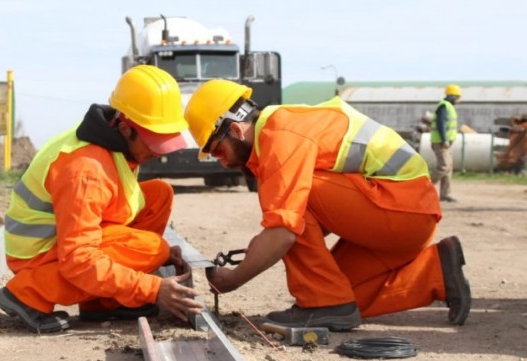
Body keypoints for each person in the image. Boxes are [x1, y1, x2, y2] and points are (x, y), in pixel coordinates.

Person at [183, 79, 471, 330]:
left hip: (403, 211)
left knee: (292, 211)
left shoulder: (281, 135)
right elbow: (308, 225)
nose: (221, 161)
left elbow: (285, 231)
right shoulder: (282, 129)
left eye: (217, 150)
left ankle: (320, 304)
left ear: (236, 130)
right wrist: (259, 248)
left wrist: (234, 279)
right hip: (402, 217)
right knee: (342, 296)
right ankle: (436, 272)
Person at [0, 65, 203, 334]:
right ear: (126, 128)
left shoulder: (115, 143)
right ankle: (28, 294)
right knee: (153, 249)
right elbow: (78, 259)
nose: (158, 152)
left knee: (159, 195)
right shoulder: (85, 168)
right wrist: (150, 287)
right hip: (39, 255)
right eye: (154, 141)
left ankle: (104, 302)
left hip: (61, 238)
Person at [429, 84, 462, 202]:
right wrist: (445, 139)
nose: (459, 100)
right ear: (452, 96)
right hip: (441, 142)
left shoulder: (448, 106)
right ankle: (424, 187)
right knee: (443, 167)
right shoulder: (444, 106)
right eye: (458, 97)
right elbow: (440, 124)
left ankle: (445, 194)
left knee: (448, 168)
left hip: (445, 142)